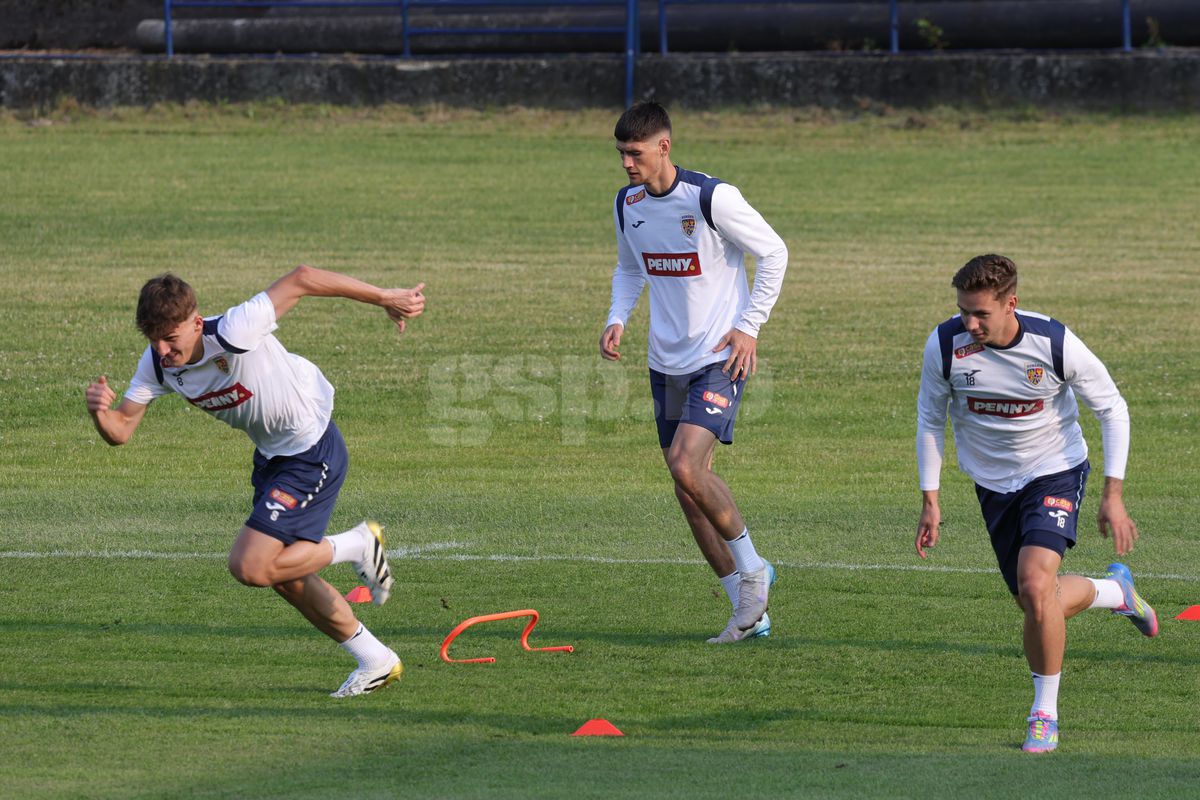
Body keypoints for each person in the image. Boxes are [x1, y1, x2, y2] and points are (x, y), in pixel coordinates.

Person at [85, 266, 426, 698]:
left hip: (311, 449)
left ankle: (357, 544)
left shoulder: (235, 328)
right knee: (284, 576)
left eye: (171, 339)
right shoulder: (157, 364)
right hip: (271, 460)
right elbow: (121, 430)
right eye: (153, 339)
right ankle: (376, 659)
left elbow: (302, 278)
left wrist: (384, 297)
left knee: (249, 566)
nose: (162, 349)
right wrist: (100, 413)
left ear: (195, 322)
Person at [915, 254, 1157, 753]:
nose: (969, 323)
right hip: (991, 485)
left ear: (1011, 304)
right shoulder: (945, 346)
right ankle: (1116, 593)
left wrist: (1114, 494)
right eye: (963, 311)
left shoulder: (1054, 343)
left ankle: (1043, 715)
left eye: (981, 313)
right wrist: (931, 500)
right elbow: (929, 421)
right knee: (1034, 603)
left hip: (1056, 471)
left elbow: (1112, 408)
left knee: (1035, 583)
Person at [599, 101, 788, 644]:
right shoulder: (628, 204)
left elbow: (774, 252)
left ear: (664, 147)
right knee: (687, 490)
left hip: (720, 355)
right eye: (620, 155)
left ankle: (754, 569)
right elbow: (631, 267)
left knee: (686, 466)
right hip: (666, 361)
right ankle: (746, 612)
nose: (627, 165)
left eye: (634, 154)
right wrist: (617, 317)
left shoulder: (710, 197)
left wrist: (750, 325)